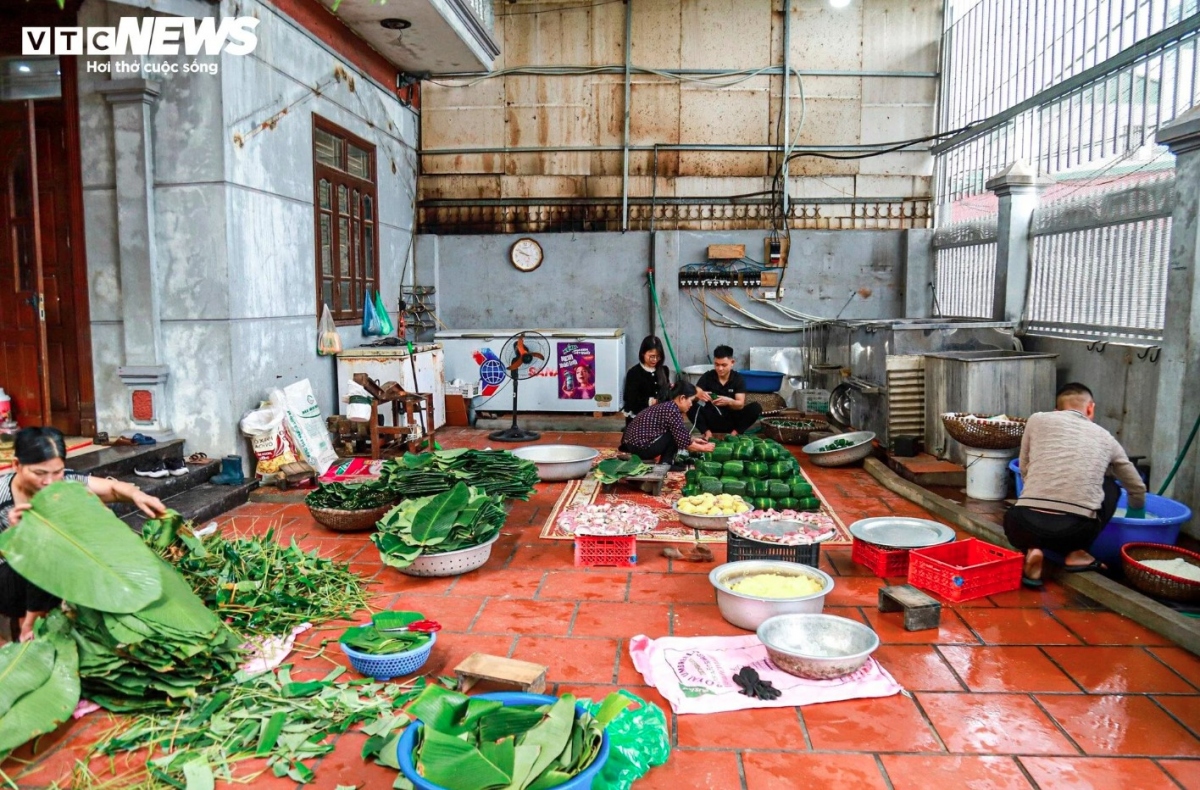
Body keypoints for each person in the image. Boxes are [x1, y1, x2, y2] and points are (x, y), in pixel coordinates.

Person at [1, 427, 168, 642]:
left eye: (57, 471)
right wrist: (13, 538)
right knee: (42, 547)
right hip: (9, 577)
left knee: (94, 512)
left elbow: (113, 489)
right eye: (40, 473)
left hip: (56, 572)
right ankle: (30, 626)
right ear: (16, 465)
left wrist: (138, 495)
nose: (50, 482)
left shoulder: (63, 484)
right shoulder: (2, 494)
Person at [1005, 383, 1147, 588]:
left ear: (1056, 411)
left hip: (1022, 525)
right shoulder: (1106, 438)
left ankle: (1033, 549)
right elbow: (1136, 486)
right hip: (1075, 532)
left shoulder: (1037, 420)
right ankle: (1076, 553)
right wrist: (1137, 519)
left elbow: (1025, 467)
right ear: (1090, 408)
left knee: (1027, 506)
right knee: (1111, 486)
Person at [619, 381, 715, 469]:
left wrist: (693, 439)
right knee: (673, 436)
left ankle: (667, 462)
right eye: (691, 400)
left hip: (632, 445)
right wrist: (705, 448)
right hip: (640, 448)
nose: (691, 404)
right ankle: (666, 464)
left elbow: (681, 434)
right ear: (682, 398)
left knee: (675, 434)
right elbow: (684, 442)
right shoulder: (672, 410)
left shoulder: (669, 406)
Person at [689, 345, 763, 438]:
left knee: (756, 408)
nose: (720, 368)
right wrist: (699, 395)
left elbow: (740, 404)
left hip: (732, 419)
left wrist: (729, 401)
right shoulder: (708, 376)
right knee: (689, 403)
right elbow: (695, 392)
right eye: (717, 364)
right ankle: (707, 432)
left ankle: (734, 434)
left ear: (732, 362)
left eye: (724, 365)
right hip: (711, 418)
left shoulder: (738, 379)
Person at [622, 335, 672, 424]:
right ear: (643, 353)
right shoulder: (634, 373)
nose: (655, 360)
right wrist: (651, 402)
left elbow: (666, 396)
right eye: (652, 356)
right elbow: (630, 399)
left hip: (659, 417)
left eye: (658, 357)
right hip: (639, 418)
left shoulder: (664, 370)